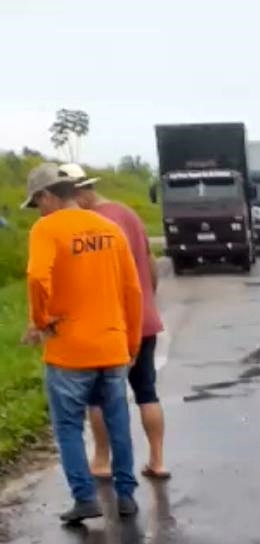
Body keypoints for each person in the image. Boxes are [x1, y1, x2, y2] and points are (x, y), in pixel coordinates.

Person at [22, 162, 143, 523]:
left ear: (47, 196)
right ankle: (126, 496)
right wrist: (132, 343)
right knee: (118, 422)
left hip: (70, 352)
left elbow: (35, 276)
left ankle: (85, 498)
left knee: (69, 427)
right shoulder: (109, 229)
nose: (38, 211)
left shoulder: (46, 229)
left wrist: (42, 320)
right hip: (112, 347)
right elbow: (132, 291)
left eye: (37, 203)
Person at [58, 163, 169, 480]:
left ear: (79, 194)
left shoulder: (91, 223)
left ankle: (103, 461)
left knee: (99, 397)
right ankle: (158, 461)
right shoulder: (128, 214)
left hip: (109, 326)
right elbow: (150, 263)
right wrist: (147, 301)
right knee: (147, 390)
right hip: (143, 320)